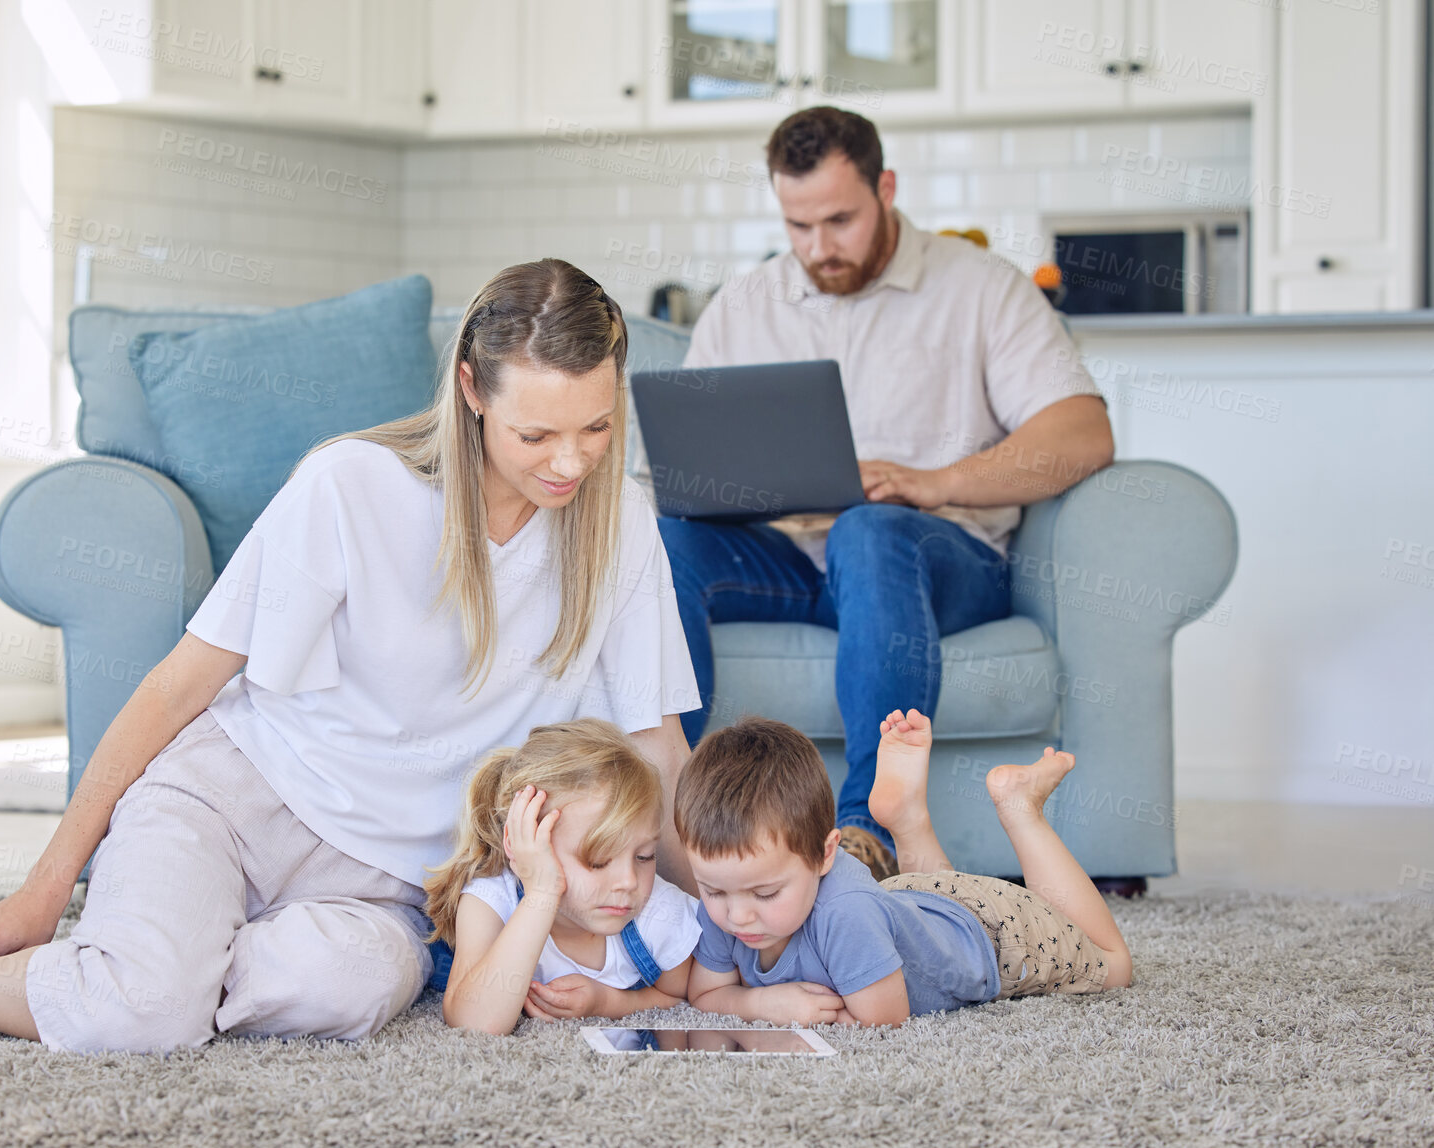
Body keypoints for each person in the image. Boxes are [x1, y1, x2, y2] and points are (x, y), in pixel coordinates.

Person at [0, 259, 702, 1051]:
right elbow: (179, 684)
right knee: (135, 1018)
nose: (569, 463)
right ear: (469, 392)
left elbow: (656, 744)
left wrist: (752, 902)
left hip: (388, 882)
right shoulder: (349, 489)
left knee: (352, 989)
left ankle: (149, 958)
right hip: (232, 801)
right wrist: (41, 891)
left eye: (596, 428)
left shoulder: (620, 533)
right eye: (536, 432)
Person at [644, 106, 1115, 878]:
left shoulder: (982, 289)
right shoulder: (745, 305)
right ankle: (676, 827)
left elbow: (1084, 433)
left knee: (870, 528)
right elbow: (694, 467)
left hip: (942, 562)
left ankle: (870, 832)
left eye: (840, 219)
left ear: (886, 188)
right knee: (666, 544)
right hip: (795, 564)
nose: (818, 248)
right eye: (798, 226)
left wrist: (933, 484)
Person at [674, 713, 1132, 1026]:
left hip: (993, 935)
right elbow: (705, 996)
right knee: (927, 911)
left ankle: (1021, 809)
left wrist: (782, 1008)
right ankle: (908, 818)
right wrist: (760, 1003)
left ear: (824, 855)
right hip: (910, 898)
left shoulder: (845, 914)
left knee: (1113, 965)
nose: (736, 917)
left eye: (766, 894)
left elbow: (883, 1020)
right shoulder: (730, 895)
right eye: (713, 892)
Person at [425, 718, 699, 1034]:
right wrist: (541, 893)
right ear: (526, 846)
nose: (629, 881)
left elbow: (685, 997)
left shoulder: (659, 911)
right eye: (598, 861)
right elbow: (475, 1024)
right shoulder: (490, 903)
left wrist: (608, 1003)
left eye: (644, 856)